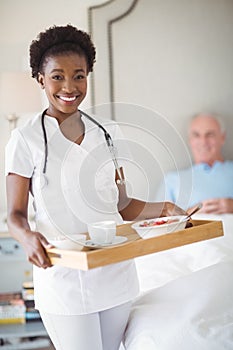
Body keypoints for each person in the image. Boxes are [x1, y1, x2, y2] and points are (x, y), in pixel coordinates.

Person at [5, 24, 185, 350]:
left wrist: (166, 209)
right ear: (40, 79)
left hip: (115, 272)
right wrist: (27, 236)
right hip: (63, 278)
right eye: (57, 76)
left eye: (79, 75)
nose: (70, 86)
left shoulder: (108, 132)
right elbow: (15, 215)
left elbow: (124, 205)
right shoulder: (26, 138)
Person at [156, 113, 233, 214]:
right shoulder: (172, 180)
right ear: (190, 140)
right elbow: (156, 224)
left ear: (222, 138)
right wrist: (188, 214)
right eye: (196, 135)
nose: (203, 142)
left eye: (210, 135)